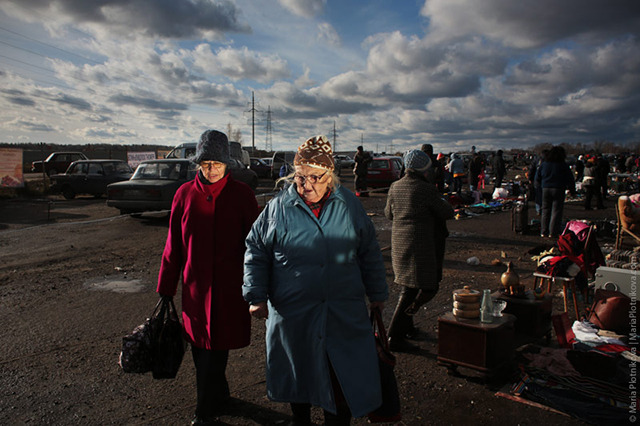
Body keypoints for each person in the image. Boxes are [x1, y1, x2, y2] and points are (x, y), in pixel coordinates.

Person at [243, 135, 389, 425]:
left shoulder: (349, 205)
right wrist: (256, 295)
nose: (306, 184)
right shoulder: (277, 208)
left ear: (330, 176)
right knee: (300, 378)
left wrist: (377, 292)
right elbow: (256, 249)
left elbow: (369, 251)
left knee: (341, 380)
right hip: (294, 313)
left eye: (315, 177)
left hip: (341, 312)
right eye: (300, 177)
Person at [156, 130, 260, 426]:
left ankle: (208, 408)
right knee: (201, 348)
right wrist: (166, 286)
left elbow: (255, 245)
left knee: (218, 347)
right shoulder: (184, 195)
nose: (211, 169)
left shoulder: (242, 195)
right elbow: (173, 244)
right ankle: (210, 406)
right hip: (195, 289)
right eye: (204, 164)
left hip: (229, 289)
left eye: (216, 163)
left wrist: (259, 287)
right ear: (197, 164)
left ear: (228, 163)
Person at [384, 150, 454, 352]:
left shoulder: (395, 186)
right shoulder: (425, 189)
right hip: (420, 246)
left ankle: (407, 328)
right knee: (419, 289)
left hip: (400, 244)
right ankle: (393, 336)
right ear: (424, 169)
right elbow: (447, 212)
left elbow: (388, 214)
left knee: (410, 286)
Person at [534, 146, 575, 238]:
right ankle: (553, 232)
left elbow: (537, 177)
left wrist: (539, 186)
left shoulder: (544, 164)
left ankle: (543, 231)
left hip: (545, 188)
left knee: (545, 210)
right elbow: (570, 178)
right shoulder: (563, 165)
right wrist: (572, 190)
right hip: (558, 188)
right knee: (556, 211)